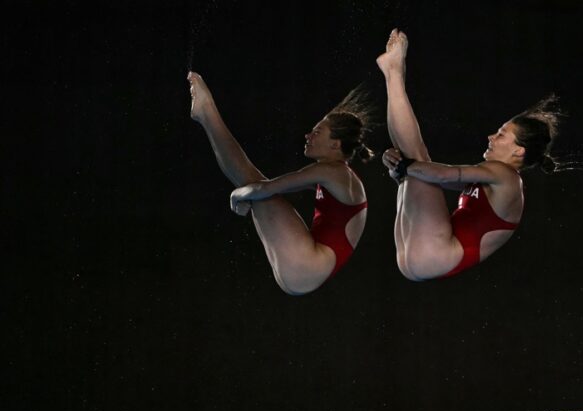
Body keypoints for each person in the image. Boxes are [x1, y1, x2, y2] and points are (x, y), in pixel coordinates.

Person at [377, 29, 559, 280]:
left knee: (417, 156)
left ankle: (394, 74)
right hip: (422, 257)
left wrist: (407, 166)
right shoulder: (493, 179)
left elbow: (443, 173)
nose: (490, 138)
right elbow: (431, 175)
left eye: (501, 134)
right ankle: (393, 75)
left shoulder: (506, 176)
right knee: (413, 162)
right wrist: (400, 170)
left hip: (436, 253)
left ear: (519, 150)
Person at [188, 71, 372, 295]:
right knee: (254, 186)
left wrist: (236, 196)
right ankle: (206, 113)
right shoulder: (339, 178)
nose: (308, 136)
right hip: (304, 271)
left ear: (335, 144)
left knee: (253, 184)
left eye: (317, 132)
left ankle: (207, 111)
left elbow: (266, 188)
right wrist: (246, 196)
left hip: (305, 264)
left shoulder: (332, 171)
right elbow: (266, 190)